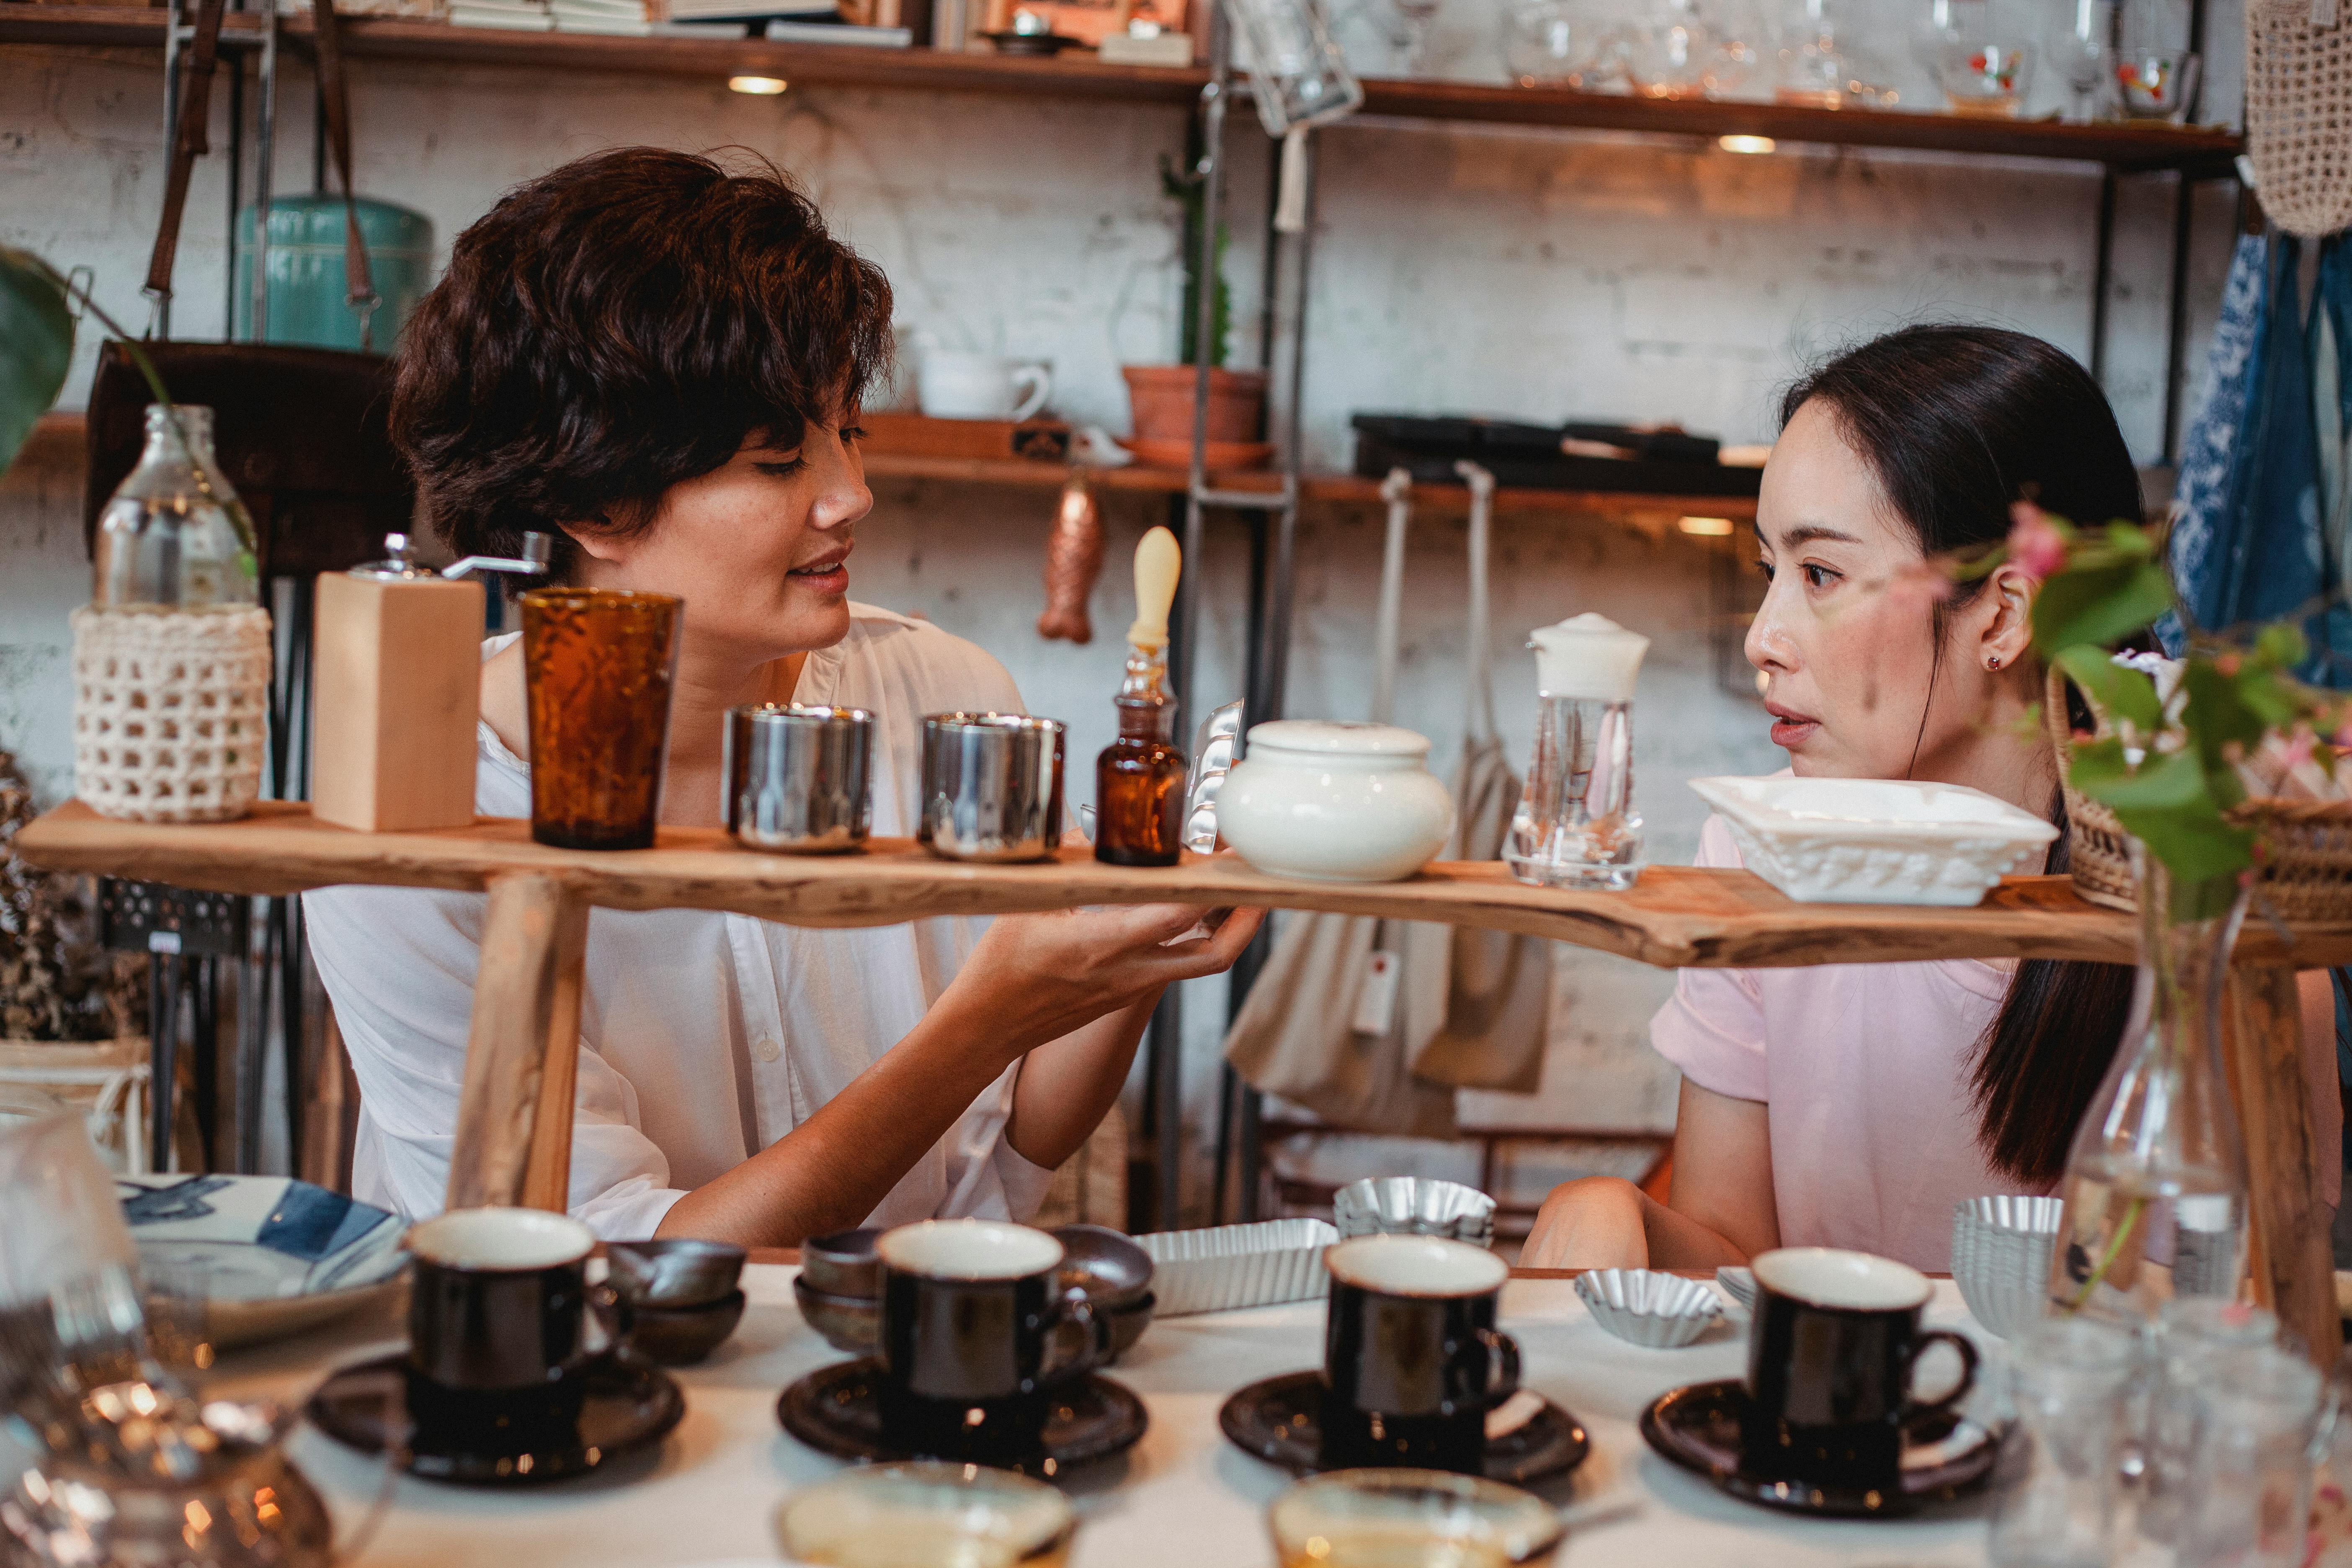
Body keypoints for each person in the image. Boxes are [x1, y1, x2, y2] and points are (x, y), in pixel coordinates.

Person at [303, 149, 1263, 1247]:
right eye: (776, 462)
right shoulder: (413, 821)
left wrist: (1138, 942)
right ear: (594, 501)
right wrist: (988, 1014)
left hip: (897, 1350)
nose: (852, 496)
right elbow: (621, 1269)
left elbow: (1021, 1142)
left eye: (847, 432)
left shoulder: (945, 697)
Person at [1520, 324, 2342, 1273]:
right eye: (1769, 573)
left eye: (1820, 574)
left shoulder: (2209, 904)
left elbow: (2241, 1320)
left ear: (2001, 615)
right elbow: (1735, 1256)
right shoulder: (1752, 860)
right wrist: (1604, 1212)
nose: (1763, 637)